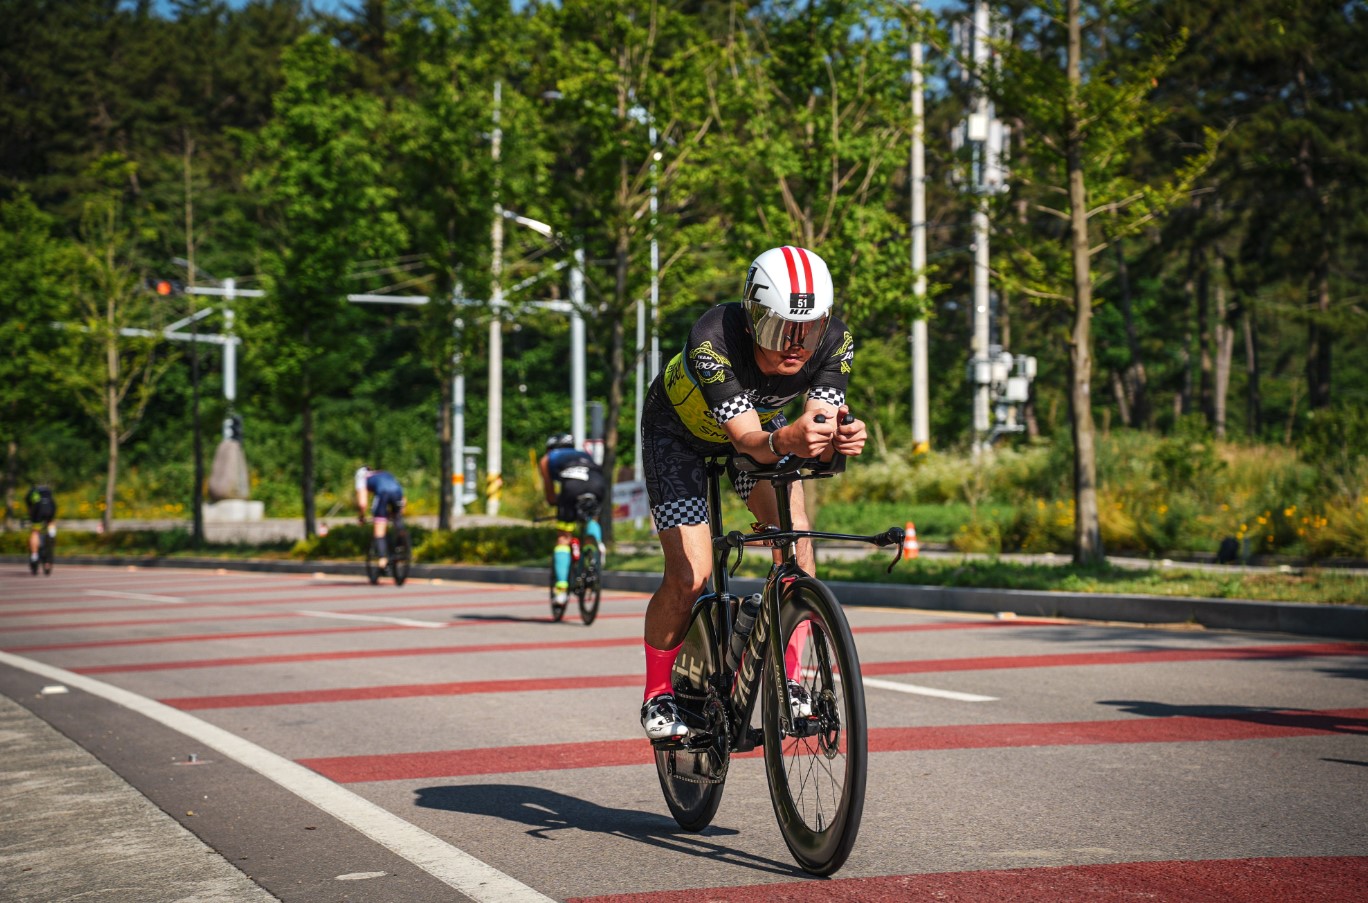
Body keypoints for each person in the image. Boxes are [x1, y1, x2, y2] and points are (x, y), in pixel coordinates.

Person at [637, 245, 866, 742]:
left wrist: (838, 440)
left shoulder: (835, 341)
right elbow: (746, 440)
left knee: (797, 543)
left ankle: (790, 677)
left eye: (809, 328)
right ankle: (658, 692)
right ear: (753, 318)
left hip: (763, 432)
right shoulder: (712, 337)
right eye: (781, 328)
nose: (797, 344)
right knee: (691, 574)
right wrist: (795, 438)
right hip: (679, 438)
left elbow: (818, 430)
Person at [538, 434, 606, 606]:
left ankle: (561, 590)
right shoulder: (584, 454)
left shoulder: (547, 459)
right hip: (597, 483)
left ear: (550, 448)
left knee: (563, 537)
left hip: (572, 488)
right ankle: (596, 544)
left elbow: (550, 492)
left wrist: (555, 502)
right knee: (592, 518)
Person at [354, 466, 405, 567]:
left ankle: (382, 560)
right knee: (397, 518)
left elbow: (362, 504)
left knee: (379, 528)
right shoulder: (385, 474)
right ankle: (401, 547)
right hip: (398, 493)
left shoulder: (362, 478)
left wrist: (361, 516)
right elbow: (402, 498)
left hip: (382, 494)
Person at [26, 484, 57, 565]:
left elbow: (29, 505)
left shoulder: (32, 492)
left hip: (39, 509)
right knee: (50, 521)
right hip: (50, 507)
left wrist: (31, 514)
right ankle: (52, 534)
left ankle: (34, 555)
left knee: (35, 532)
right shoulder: (48, 492)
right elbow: (53, 503)